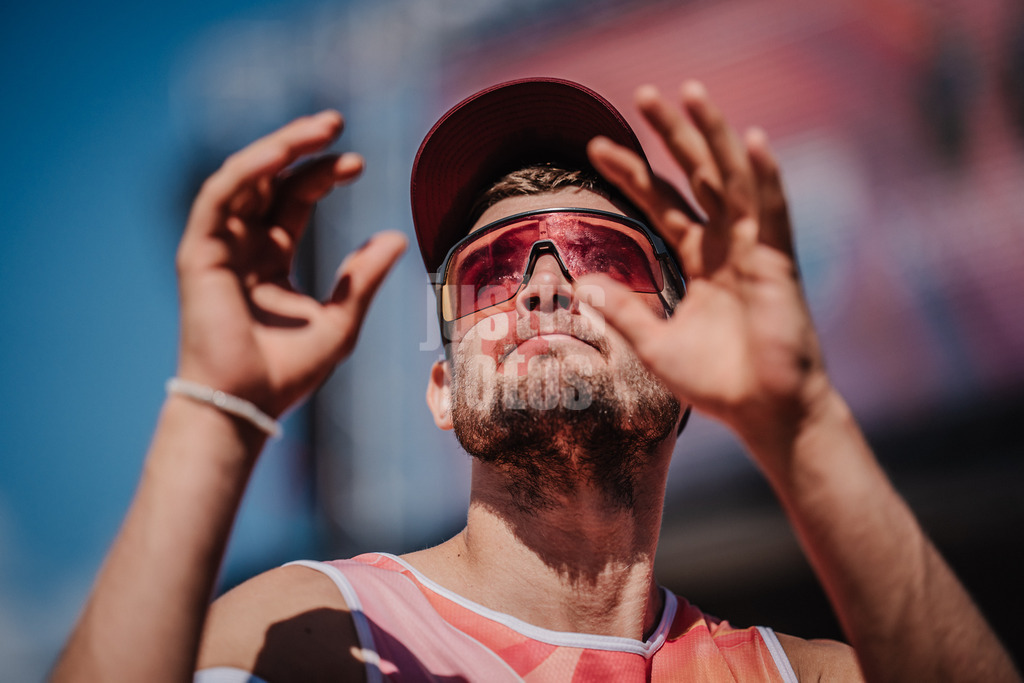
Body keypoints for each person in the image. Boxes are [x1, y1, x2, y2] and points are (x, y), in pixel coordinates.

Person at [50, 78, 1020, 683]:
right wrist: (215, 416)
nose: (545, 283)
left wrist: (804, 423)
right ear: (441, 388)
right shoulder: (313, 634)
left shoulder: (800, 674)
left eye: (596, 255)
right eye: (493, 267)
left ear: (687, 368)